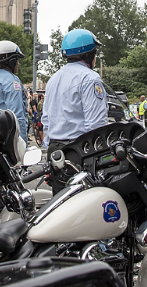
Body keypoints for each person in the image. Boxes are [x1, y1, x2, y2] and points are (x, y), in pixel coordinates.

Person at [42, 29, 108, 192]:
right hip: (78, 152)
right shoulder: (90, 78)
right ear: (89, 54)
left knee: (60, 204)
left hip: (55, 151)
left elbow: (46, 120)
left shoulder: (53, 79)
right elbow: (97, 125)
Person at [0, 41, 30, 142]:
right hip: (7, 139)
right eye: (17, 60)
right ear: (11, 61)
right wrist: (22, 143)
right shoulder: (12, 81)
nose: (18, 63)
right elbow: (17, 116)